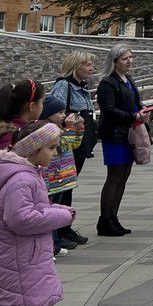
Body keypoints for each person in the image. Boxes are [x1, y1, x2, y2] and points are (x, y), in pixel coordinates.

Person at [0, 122, 74, 306]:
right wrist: (61, 215)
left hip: (16, 252)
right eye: (52, 148)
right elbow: (20, 218)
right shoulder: (22, 179)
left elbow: (29, 209)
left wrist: (54, 209)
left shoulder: (27, 174)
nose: (54, 154)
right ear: (33, 150)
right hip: (14, 253)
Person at [0, 79, 46, 242]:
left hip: (1, 210)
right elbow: (15, 182)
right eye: (42, 102)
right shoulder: (16, 138)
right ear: (32, 106)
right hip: (9, 213)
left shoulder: (4, 132)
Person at [96, 45, 148, 236]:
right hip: (115, 134)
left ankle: (113, 217)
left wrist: (142, 112)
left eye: (131, 57)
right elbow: (108, 109)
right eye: (125, 58)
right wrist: (132, 116)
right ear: (115, 60)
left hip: (128, 133)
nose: (130, 61)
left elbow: (134, 102)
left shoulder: (129, 80)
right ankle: (104, 220)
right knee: (114, 176)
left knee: (123, 176)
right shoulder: (107, 83)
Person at [46, 51, 95, 249]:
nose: (91, 68)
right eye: (87, 64)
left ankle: (65, 227)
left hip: (79, 143)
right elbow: (55, 112)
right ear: (75, 65)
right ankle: (58, 230)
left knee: (68, 185)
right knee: (62, 187)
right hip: (67, 145)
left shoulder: (82, 86)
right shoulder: (64, 85)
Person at [36, 96, 84, 255]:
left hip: (64, 177)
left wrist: (78, 127)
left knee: (58, 212)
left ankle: (56, 243)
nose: (64, 115)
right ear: (48, 113)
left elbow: (75, 143)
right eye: (60, 112)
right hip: (54, 179)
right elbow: (63, 145)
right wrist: (70, 127)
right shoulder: (48, 130)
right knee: (52, 212)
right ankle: (53, 246)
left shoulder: (60, 128)